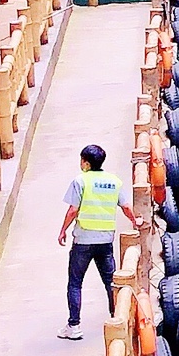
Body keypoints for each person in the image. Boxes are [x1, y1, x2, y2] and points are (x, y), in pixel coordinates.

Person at [54, 142, 124, 340]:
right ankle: (117, 318)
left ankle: (74, 326)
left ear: (85, 163)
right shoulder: (114, 181)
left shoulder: (80, 181)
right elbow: (125, 206)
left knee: (75, 283)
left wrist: (62, 230)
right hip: (105, 240)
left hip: (83, 240)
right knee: (111, 282)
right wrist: (135, 220)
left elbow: (73, 209)